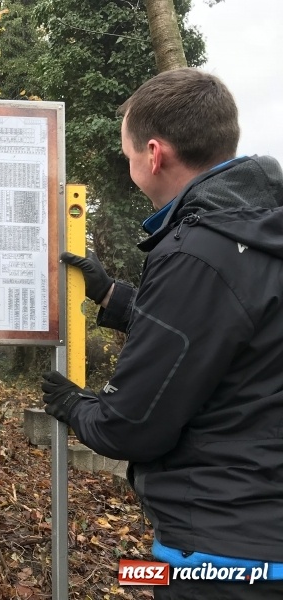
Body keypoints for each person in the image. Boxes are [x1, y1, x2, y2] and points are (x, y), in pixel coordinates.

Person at [41, 67, 283, 599]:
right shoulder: (260, 229)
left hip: (221, 553)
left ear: (154, 155)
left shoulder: (196, 250)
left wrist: (77, 406)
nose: (130, 168)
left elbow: (132, 426)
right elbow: (227, 331)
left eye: (128, 156)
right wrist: (111, 296)